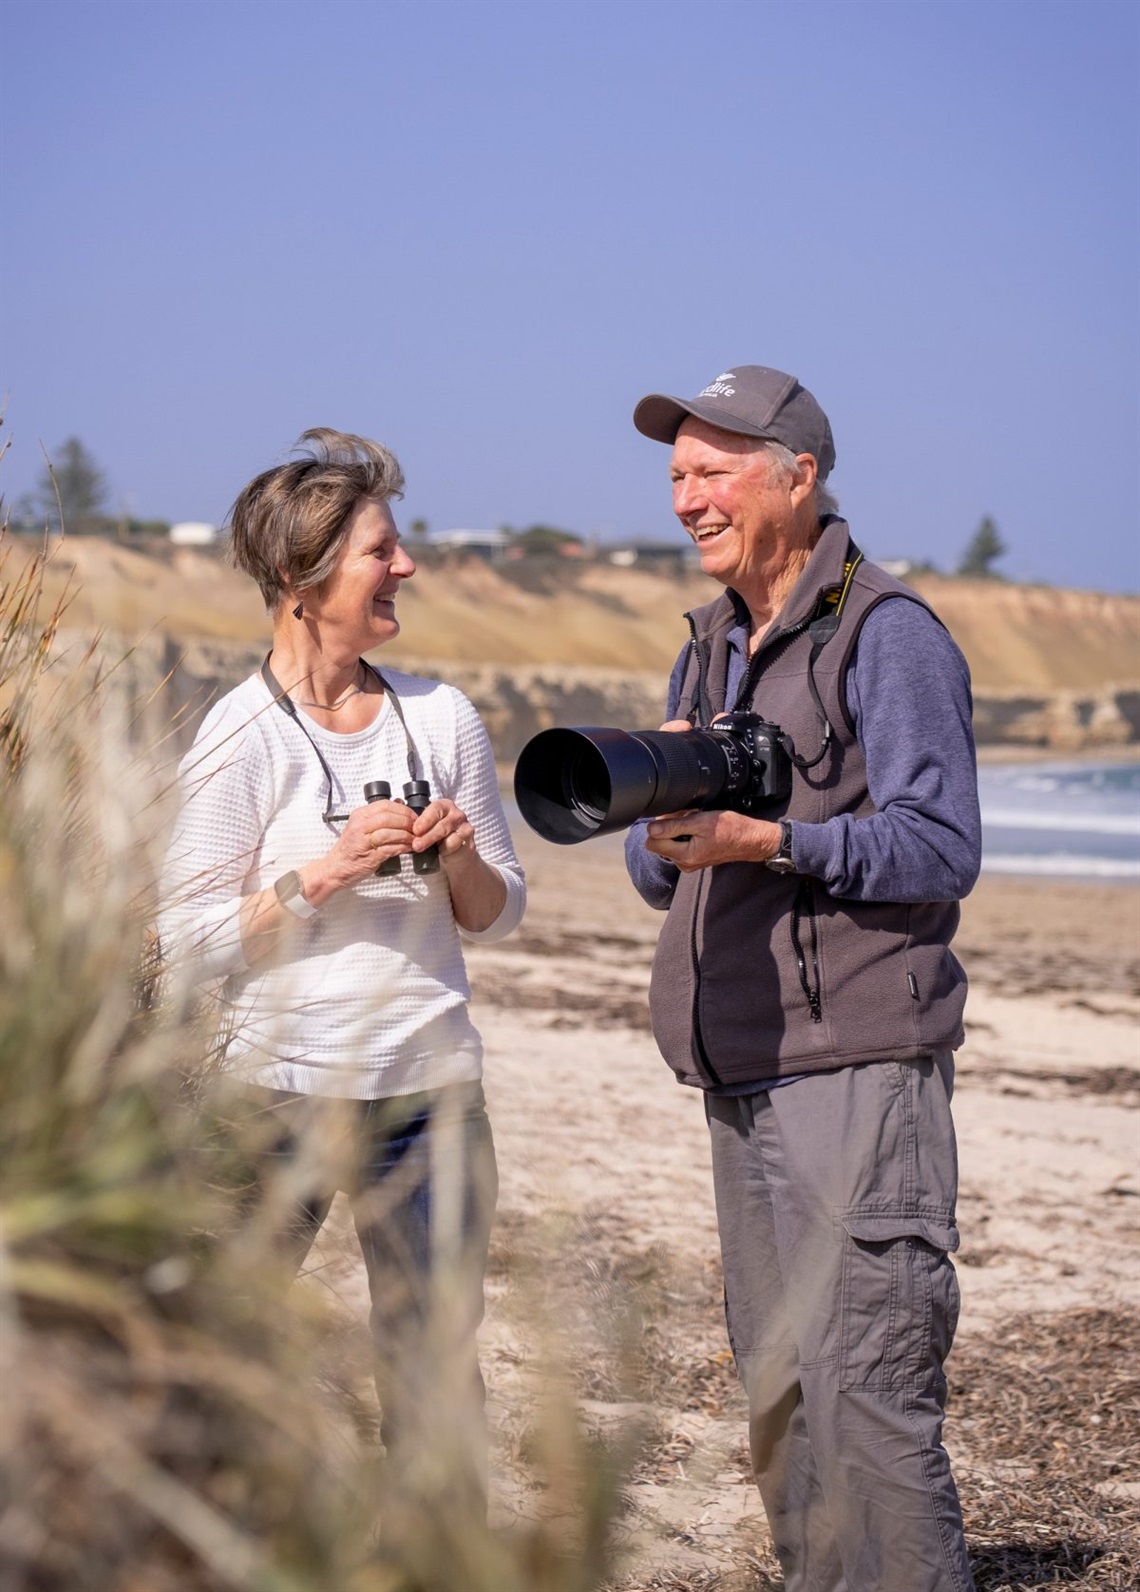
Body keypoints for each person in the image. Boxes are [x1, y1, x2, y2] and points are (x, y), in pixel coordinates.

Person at [624, 367, 980, 1591]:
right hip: (742, 1067)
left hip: (859, 1069)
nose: (686, 497)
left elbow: (942, 847)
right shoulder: (713, 646)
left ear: (798, 475)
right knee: (778, 1396)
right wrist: (661, 813)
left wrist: (773, 839)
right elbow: (658, 874)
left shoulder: (889, 634)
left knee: (868, 1393)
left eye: (712, 469)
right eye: (676, 474)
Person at [160, 428, 524, 1507]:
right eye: (381, 550)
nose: (405, 567)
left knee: (432, 1366)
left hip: (431, 1096)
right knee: (224, 1348)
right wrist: (321, 875)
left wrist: (458, 851)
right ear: (299, 579)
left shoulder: (441, 715)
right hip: (272, 1091)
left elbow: (498, 911)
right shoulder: (238, 738)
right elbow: (180, 939)